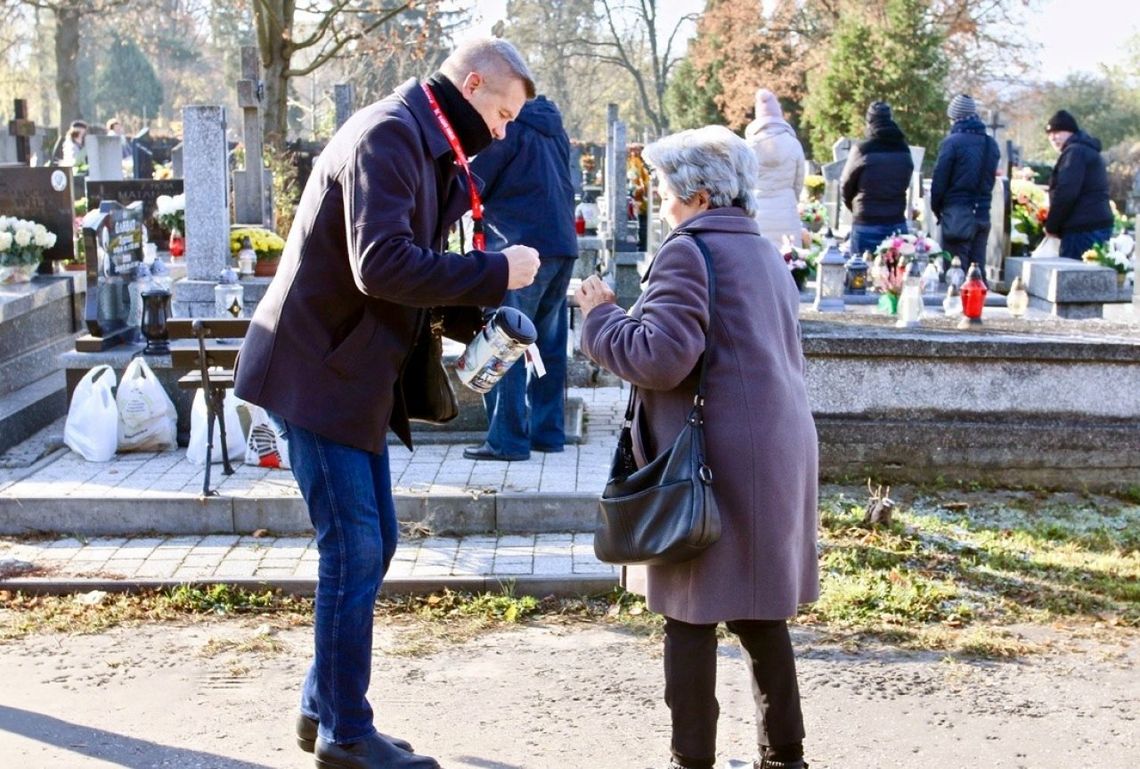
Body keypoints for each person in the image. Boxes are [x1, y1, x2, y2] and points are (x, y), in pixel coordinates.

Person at [233, 38, 540, 769]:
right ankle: (345, 731)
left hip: (344, 374)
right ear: (470, 85)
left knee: (376, 543)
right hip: (315, 372)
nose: (501, 132)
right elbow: (381, 265)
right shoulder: (392, 135)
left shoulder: (422, 136)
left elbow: (408, 271)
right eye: (499, 113)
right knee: (355, 547)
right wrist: (495, 271)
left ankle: (323, 704)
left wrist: (479, 315)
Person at [575, 125, 819, 769]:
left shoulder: (689, 251)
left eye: (664, 188)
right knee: (761, 613)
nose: (660, 201)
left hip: (714, 456)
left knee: (690, 613)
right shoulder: (763, 251)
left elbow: (660, 358)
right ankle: (784, 755)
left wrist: (601, 315)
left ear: (700, 194)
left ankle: (692, 758)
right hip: (773, 447)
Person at [463, 95, 579, 461]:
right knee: (548, 344)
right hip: (561, 245)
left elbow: (473, 182)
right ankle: (548, 433)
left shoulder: (507, 124)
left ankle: (507, 440)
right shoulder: (554, 127)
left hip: (519, 250)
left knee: (505, 342)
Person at [930, 94, 1001, 276]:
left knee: (955, 274)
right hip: (982, 213)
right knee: (977, 273)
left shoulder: (952, 142)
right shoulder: (990, 144)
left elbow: (939, 181)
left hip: (957, 215)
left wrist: (937, 209)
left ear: (954, 117)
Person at [840, 101, 913, 256]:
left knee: (859, 274)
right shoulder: (903, 149)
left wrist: (855, 207)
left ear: (869, 122)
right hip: (895, 220)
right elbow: (905, 180)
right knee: (894, 276)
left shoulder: (862, 149)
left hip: (866, 220)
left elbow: (846, 185)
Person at [1042, 109, 1114, 259]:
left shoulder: (1075, 152)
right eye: (1050, 134)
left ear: (1071, 132)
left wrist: (1052, 226)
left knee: (1073, 278)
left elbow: (1066, 192)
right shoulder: (1083, 149)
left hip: (1082, 228)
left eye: (1058, 132)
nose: (1053, 138)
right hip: (1092, 224)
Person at [744, 88, 806, 250]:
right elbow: (799, 181)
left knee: (759, 258)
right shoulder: (793, 144)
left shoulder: (749, 146)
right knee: (788, 260)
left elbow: (744, 182)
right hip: (786, 209)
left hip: (757, 210)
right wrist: (793, 199)